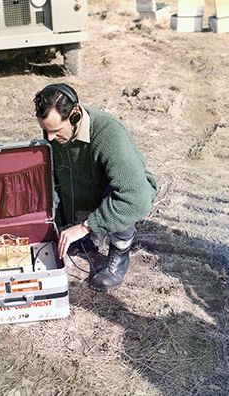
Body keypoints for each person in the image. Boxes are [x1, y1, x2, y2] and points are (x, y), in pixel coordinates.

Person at [34, 83, 157, 291]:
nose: (49, 139)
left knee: (120, 196)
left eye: (55, 131)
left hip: (125, 193)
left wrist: (84, 227)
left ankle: (119, 252)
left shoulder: (109, 134)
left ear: (74, 115)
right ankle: (95, 234)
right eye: (45, 130)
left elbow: (136, 197)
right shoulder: (55, 131)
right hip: (91, 189)